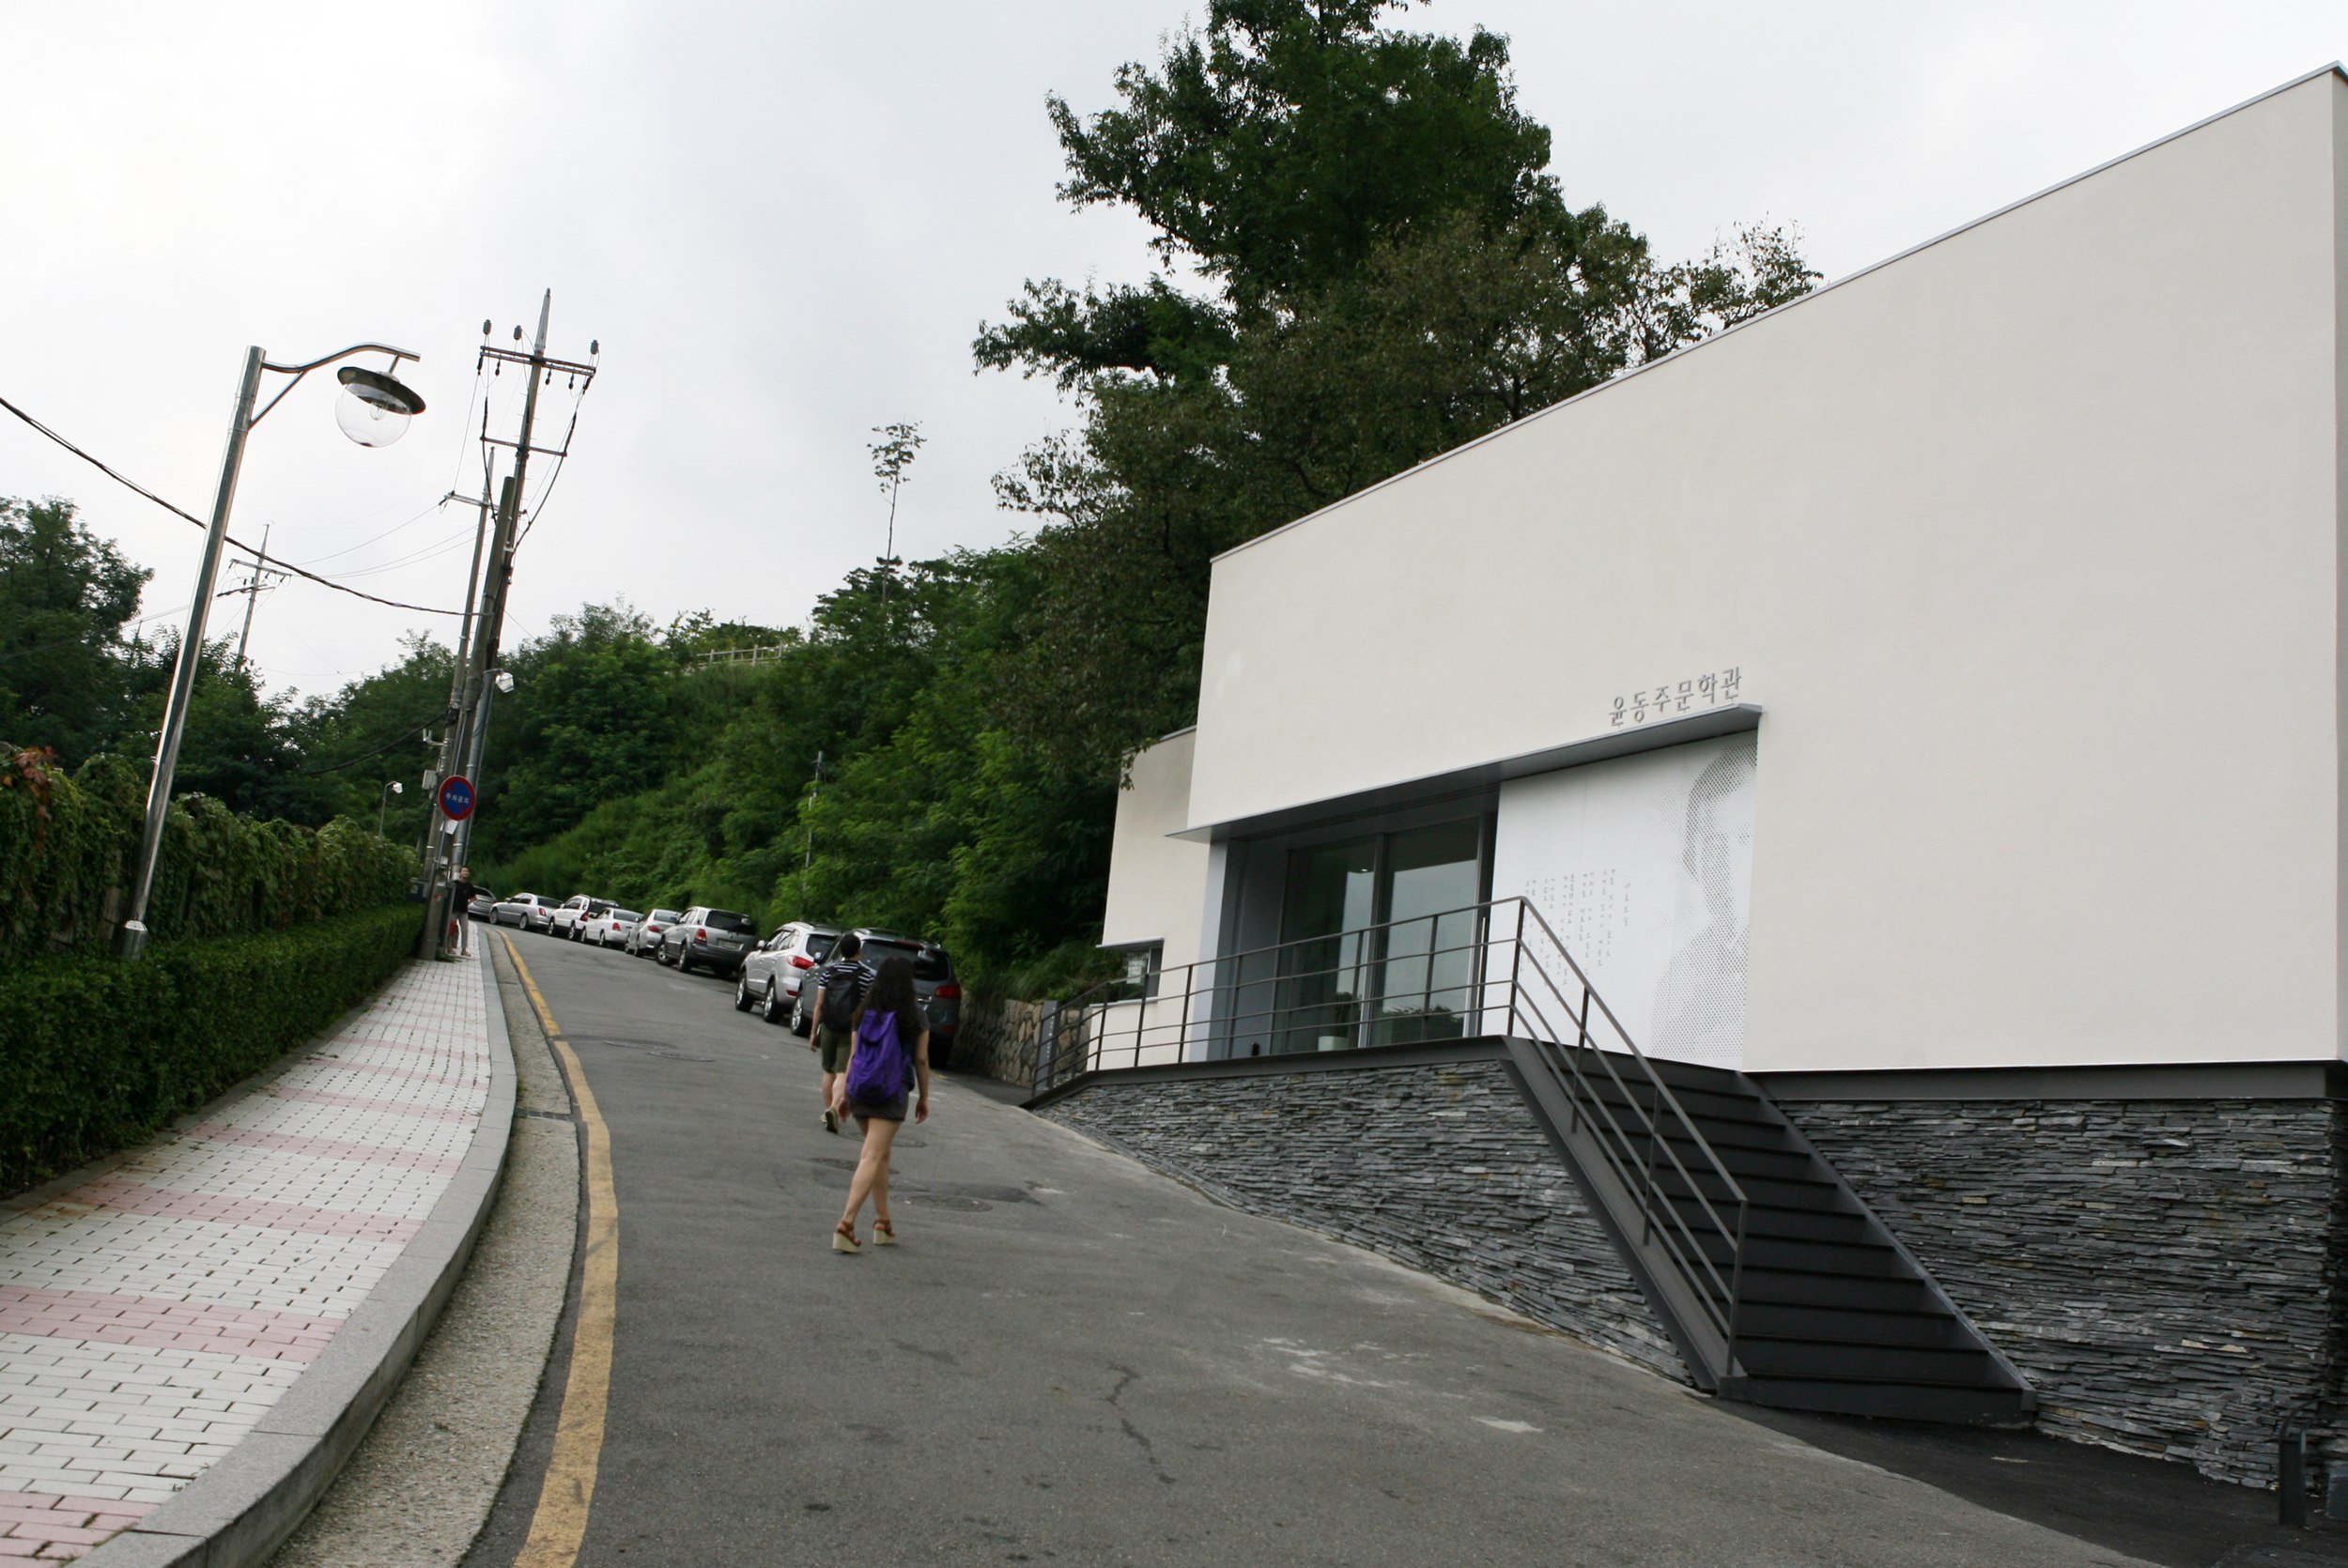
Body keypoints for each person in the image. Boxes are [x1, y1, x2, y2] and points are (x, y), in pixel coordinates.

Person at [830, 957, 930, 1253]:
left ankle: (882, 1221)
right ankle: (846, 1224)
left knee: (880, 1155)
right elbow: (922, 1060)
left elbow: (854, 1054)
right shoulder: (915, 1015)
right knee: (872, 1156)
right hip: (891, 1091)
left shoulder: (863, 1013)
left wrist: (845, 1093)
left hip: (861, 1089)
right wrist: (924, 1097)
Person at [808, 933, 874, 1133]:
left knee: (828, 1070)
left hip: (829, 1025)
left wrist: (813, 1032)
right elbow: (868, 1007)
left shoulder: (830, 971)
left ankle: (827, 1110)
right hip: (851, 1028)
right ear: (859, 952)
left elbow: (820, 1003)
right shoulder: (866, 975)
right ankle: (834, 1109)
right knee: (842, 1072)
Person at [448, 867, 477, 959]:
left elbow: (474, 897)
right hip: (453, 909)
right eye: (463, 871)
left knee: (465, 929)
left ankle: (464, 949)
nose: (465, 873)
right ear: (460, 873)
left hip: (464, 911)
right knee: (451, 928)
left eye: (467, 871)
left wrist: (468, 902)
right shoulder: (455, 883)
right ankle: (449, 947)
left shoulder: (469, 885)